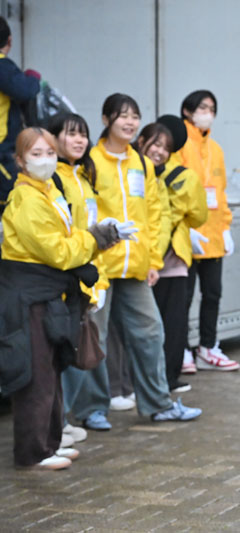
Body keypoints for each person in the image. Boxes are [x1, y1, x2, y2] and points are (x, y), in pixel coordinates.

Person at [70, 93, 202, 430]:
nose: (129, 122)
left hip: (136, 266)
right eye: (122, 116)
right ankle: (92, 409)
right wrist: (90, 256)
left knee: (150, 332)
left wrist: (153, 260)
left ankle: (158, 404)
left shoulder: (141, 164)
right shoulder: (90, 162)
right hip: (99, 266)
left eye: (134, 116)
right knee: (95, 338)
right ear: (106, 120)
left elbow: (154, 214)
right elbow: (84, 212)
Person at [0, 127, 121, 469]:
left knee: (51, 371)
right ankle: (33, 452)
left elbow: (66, 241)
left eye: (50, 153)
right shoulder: (26, 199)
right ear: (20, 160)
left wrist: (89, 240)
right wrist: (94, 240)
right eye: (36, 154)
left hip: (49, 293)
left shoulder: (49, 191)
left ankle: (50, 443)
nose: (45, 160)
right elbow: (57, 251)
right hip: (29, 296)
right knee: (36, 375)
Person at [47, 113, 108, 445]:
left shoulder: (83, 176)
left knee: (80, 349)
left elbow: (92, 231)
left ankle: (63, 419)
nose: (80, 140)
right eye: (71, 133)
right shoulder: (52, 179)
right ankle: (55, 424)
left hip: (86, 275)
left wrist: (99, 279)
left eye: (83, 134)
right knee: (63, 354)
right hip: (65, 278)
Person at [136, 117, 208, 393]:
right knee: (173, 321)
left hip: (141, 257)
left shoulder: (134, 171)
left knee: (144, 323)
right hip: (173, 257)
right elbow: (199, 215)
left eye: (164, 146)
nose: (159, 151)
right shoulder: (185, 176)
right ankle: (168, 378)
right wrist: (181, 220)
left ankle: (141, 381)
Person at [178, 90, 239, 372]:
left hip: (213, 234)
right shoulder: (179, 145)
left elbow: (220, 193)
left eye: (212, 109)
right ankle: (180, 349)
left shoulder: (216, 149)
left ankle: (208, 347)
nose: (208, 114)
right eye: (202, 108)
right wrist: (183, 227)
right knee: (183, 296)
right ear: (187, 111)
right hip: (188, 233)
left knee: (212, 294)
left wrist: (225, 227)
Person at [0, 16, 41, 213]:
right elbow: (25, 91)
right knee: (10, 207)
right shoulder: (3, 66)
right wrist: (33, 78)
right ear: (9, 40)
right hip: (2, 151)